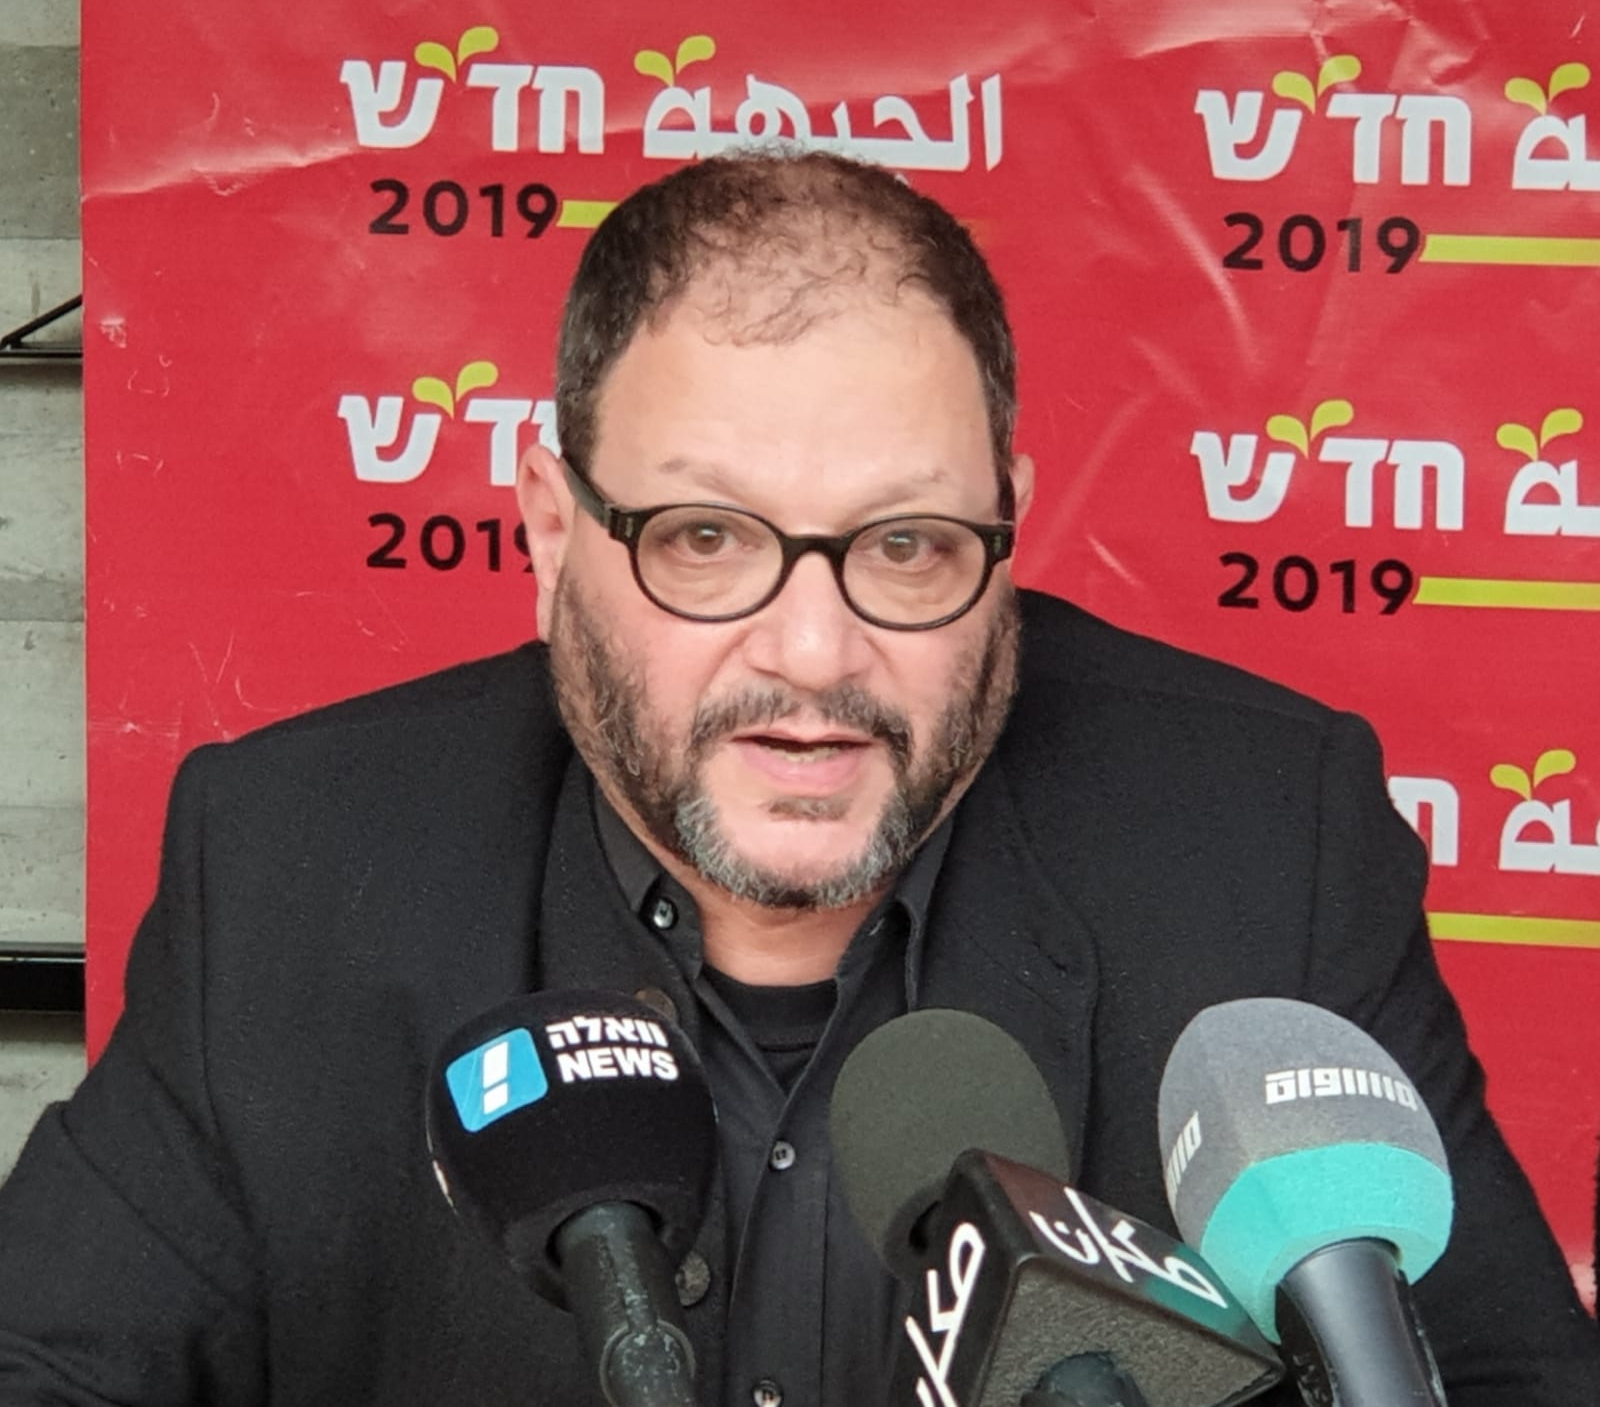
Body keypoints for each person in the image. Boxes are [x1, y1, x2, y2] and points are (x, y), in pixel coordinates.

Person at [1, 151, 1595, 1407]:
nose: (816, 652)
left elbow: (1500, 1378)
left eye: (908, 546)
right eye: (705, 540)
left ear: (1008, 528)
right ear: (550, 529)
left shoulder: (1265, 844)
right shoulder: (291, 864)